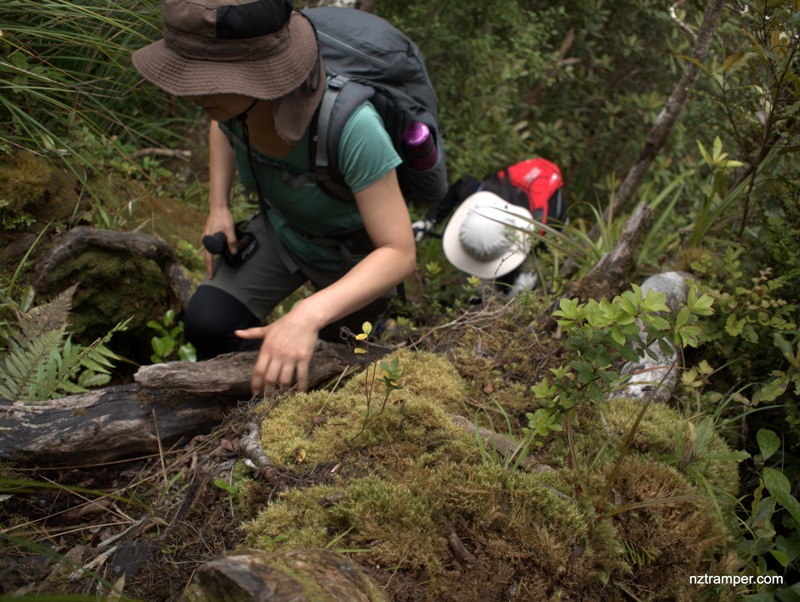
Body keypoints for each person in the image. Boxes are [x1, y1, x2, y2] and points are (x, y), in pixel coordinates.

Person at [132, 0, 415, 394]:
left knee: (346, 360)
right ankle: (258, 398)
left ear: (259, 76)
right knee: (210, 324)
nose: (192, 93)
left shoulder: (352, 127)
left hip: (353, 256)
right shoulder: (227, 104)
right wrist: (219, 206)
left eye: (205, 80)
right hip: (283, 229)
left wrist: (306, 315)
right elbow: (223, 128)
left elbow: (399, 251)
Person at [413, 158, 566, 294]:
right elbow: (461, 184)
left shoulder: (544, 225)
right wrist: (427, 222)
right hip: (510, 193)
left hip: (545, 220)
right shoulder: (473, 192)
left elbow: (543, 254)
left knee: (523, 285)